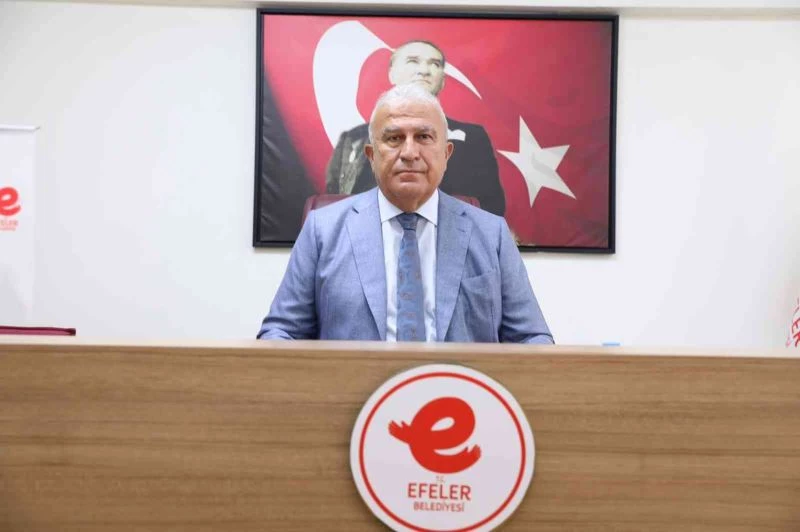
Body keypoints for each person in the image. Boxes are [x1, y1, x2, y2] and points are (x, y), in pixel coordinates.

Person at [257, 84, 552, 344]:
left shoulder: (492, 234)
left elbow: (531, 338)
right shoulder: (322, 230)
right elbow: (281, 332)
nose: (409, 152)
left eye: (423, 136)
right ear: (371, 156)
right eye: (394, 138)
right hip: (355, 389)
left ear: (446, 154)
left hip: (459, 389)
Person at [325, 40, 506, 217]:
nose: (424, 70)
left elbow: (490, 206)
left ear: (443, 80)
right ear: (392, 74)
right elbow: (334, 203)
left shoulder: (473, 136)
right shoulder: (353, 138)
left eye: (434, 64)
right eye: (413, 61)